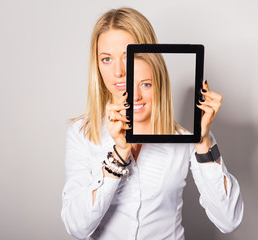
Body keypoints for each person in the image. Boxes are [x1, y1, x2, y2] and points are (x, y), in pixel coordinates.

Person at [61, 7, 243, 240]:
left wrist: (203, 141)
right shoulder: (82, 133)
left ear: (150, 55)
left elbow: (230, 220)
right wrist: (119, 155)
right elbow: (76, 227)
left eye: (128, 56)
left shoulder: (185, 138)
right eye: (106, 59)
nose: (118, 71)